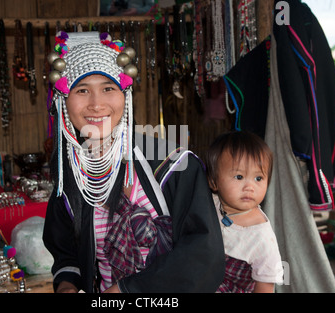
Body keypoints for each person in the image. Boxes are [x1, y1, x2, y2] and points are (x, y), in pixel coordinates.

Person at [42, 31, 225, 293]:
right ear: (63, 101)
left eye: (108, 88)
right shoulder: (71, 177)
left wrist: (129, 290)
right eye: (82, 90)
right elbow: (66, 253)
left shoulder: (175, 165)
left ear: (125, 96)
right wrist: (67, 285)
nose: (96, 104)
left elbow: (203, 254)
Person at [205, 130, 283, 293]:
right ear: (214, 182)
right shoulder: (210, 202)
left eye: (258, 178)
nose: (250, 187)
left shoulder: (261, 236)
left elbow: (266, 284)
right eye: (239, 177)